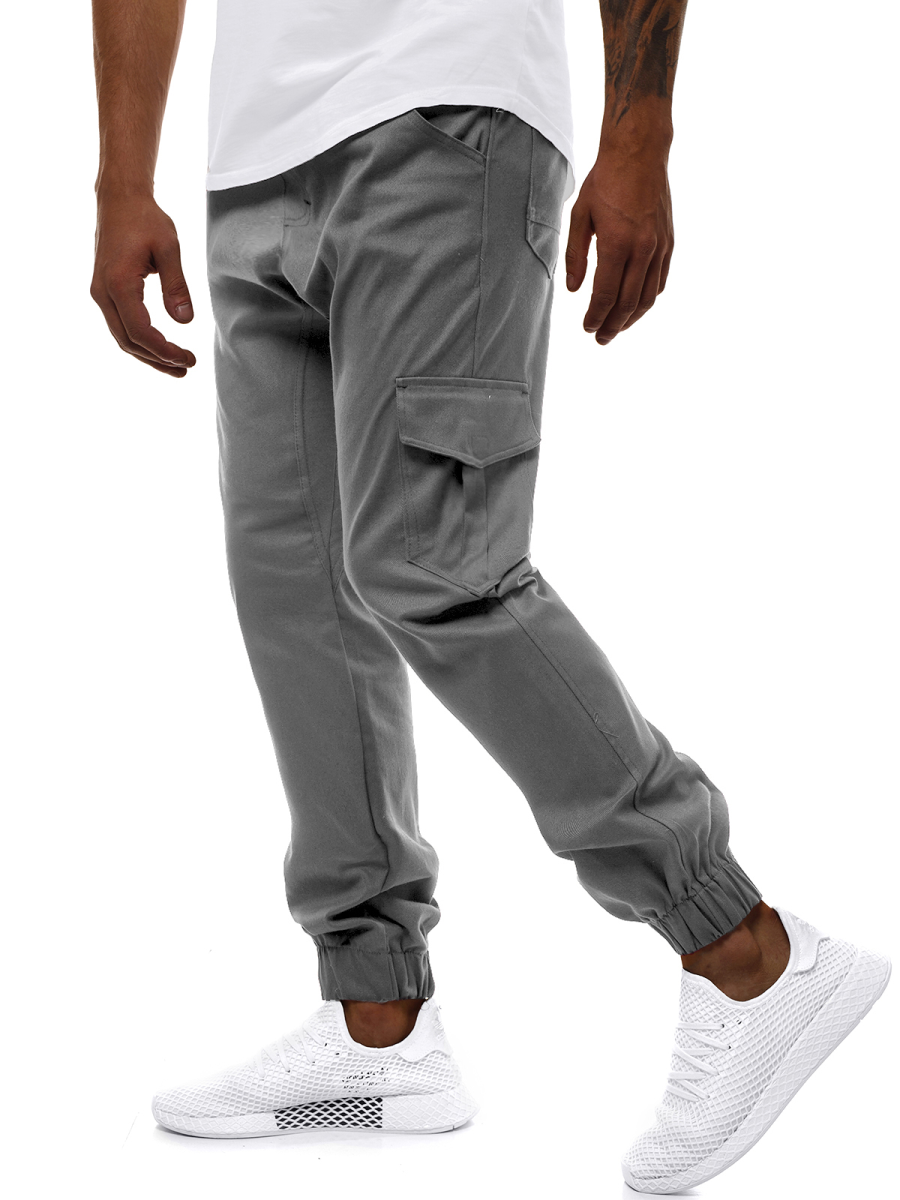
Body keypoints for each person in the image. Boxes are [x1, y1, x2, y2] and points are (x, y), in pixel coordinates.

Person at [89, 0, 889, 1191]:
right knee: (296, 592)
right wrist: (121, 181)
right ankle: (377, 1024)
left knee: (432, 562)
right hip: (251, 159)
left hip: (446, 107)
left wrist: (639, 134)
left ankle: (747, 951)